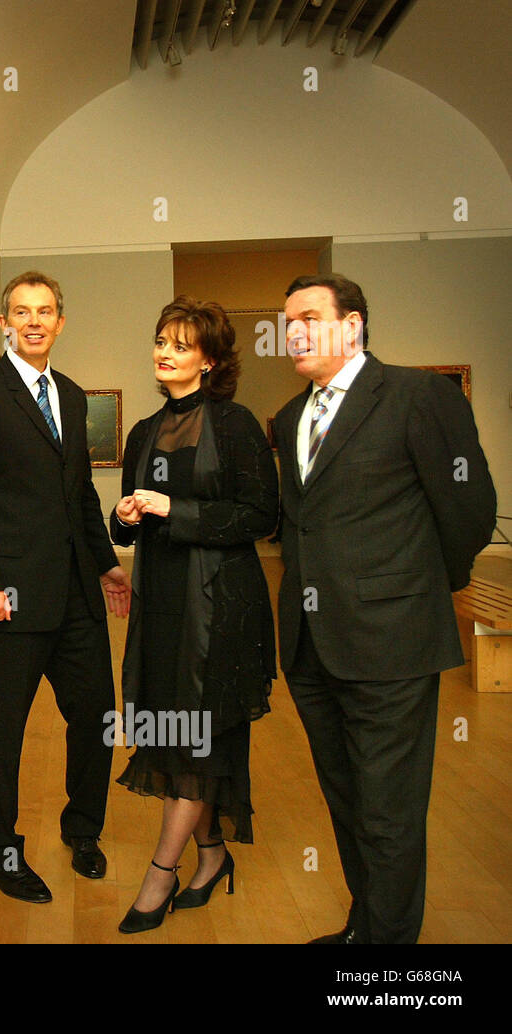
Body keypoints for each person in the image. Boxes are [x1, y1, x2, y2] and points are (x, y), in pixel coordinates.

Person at [273, 273, 496, 944]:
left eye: (309, 316)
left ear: (354, 324)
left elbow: (469, 510)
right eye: (287, 323)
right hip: (311, 645)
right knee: (347, 802)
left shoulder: (417, 396)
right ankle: (364, 929)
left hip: (392, 641)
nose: (294, 333)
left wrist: (421, 590)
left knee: (390, 812)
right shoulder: (288, 418)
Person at [0, 271, 130, 903]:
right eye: (21, 312)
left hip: (76, 594)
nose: (34, 321)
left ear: (60, 322)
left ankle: (83, 830)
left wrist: (106, 564)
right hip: (9, 601)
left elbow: (78, 494)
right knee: (2, 729)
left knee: (97, 716)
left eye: (45, 311)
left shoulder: (72, 399)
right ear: (4, 324)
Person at [109, 297, 279, 934]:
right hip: (160, 608)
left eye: (181, 345)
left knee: (197, 738)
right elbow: (130, 526)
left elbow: (263, 516)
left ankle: (161, 873)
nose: (164, 352)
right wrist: (124, 518)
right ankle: (212, 856)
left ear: (208, 361)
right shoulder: (141, 433)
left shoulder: (233, 426)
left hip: (222, 612)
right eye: (160, 340)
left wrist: (173, 511)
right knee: (174, 733)